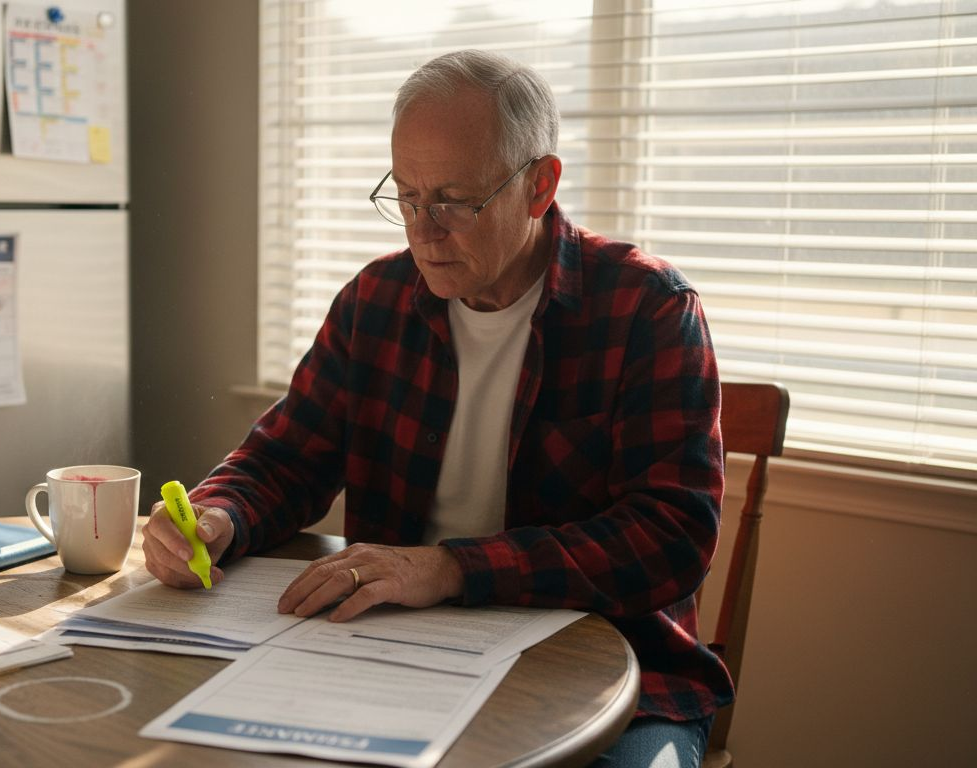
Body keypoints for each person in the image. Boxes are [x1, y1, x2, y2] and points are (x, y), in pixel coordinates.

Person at [142, 49, 732, 767]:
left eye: (454, 200)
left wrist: (451, 569)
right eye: (408, 197)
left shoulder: (647, 308)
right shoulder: (376, 301)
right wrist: (218, 517)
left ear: (539, 185)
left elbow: (669, 537)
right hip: (392, 656)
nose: (423, 230)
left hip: (621, 680)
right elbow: (285, 458)